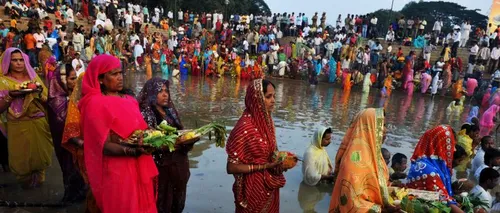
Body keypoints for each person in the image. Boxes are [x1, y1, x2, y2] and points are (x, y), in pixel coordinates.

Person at [78, 54, 158, 213]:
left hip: (139, 162)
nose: (120, 77)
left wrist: (154, 136)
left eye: (120, 73)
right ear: (100, 78)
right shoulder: (94, 103)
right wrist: (131, 151)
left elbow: (140, 129)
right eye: (113, 74)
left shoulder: (130, 99)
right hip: (118, 168)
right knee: (124, 206)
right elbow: (102, 145)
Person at [226, 79, 288, 213]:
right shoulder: (243, 127)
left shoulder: (267, 122)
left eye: (274, 96)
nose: (273, 101)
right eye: (268, 97)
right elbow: (231, 167)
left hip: (270, 186)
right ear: (257, 99)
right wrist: (265, 166)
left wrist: (281, 163)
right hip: (251, 190)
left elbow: (271, 153)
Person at [137, 77, 196, 213]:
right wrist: (176, 143)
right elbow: (148, 143)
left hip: (177, 165)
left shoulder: (169, 111)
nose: (165, 94)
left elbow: (178, 132)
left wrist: (189, 140)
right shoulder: (146, 114)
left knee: (177, 203)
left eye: (166, 91)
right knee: (162, 202)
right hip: (161, 168)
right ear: (151, 93)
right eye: (160, 91)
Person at [0, 48, 53, 188]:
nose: (19, 63)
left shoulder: (33, 78)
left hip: (38, 120)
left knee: (42, 155)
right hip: (17, 124)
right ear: (7, 62)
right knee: (20, 158)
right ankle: (25, 182)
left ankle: (39, 178)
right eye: (14, 60)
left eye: (21, 60)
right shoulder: (3, 81)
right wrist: (10, 95)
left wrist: (39, 92)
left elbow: (47, 101)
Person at [329, 108, 399, 212]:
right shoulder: (353, 163)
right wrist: (382, 211)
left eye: (385, 125)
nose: (385, 130)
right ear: (369, 127)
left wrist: (392, 187)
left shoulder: (376, 155)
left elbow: (375, 186)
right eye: (382, 125)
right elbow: (351, 203)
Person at [47, 63, 87, 202]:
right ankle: (71, 196)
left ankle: (81, 194)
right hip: (66, 142)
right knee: (70, 168)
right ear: (62, 80)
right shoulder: (56, 100)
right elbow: (61, 124)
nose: (75, 81)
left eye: (76, 78)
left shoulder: (74, 95)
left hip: (78, 139)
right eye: (71, 79)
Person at [406, 125, 468, 213]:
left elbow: (440, 196)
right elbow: (441, 198)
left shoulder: (429, 164)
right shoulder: (428, 169)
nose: (454, 149)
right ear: (440, 144)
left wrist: (452, 200)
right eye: (451, 145)